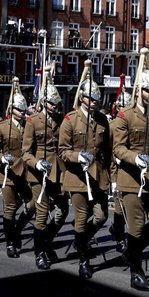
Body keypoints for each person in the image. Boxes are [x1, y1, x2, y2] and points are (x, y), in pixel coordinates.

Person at [111, 61, 149, 293]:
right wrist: (135, 159)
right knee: (136, 226)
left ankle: (131, 251)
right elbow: (118, 148)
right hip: (131, 179)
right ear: (138, 91)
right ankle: (137, 272)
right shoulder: (125, 115)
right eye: (147, 90)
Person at [59, 69, 112, 279]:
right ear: (82, 98)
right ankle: (83, 259)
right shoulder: (70, 120)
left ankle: (80, 238)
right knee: (81, 217)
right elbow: (62, 151)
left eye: (96, 100)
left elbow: (107, 150)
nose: (94, 103)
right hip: (78, 177)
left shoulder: (102, 120)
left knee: (101, 216)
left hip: (98, 175)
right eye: (90, 99)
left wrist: (110, 176)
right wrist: (76, 157)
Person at [22, 79, 68, 270]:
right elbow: (25, 152)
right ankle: (39, 252)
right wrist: (36, 163)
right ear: (43, 102)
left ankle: (46, 241)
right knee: (41, 213)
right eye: (50, 103)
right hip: (38, 174)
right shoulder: (33, 121)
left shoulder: (59, 120)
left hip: (57, 172)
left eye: (55, 104)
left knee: (62, 210)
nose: (53, 107)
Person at [0, 79, 33, 259]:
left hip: (26, 173)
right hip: (8, 173)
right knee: (9, 208)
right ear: (11, 110)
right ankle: (10, 242)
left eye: (23, 110)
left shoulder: (29, 125)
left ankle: (17, 229)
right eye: (18, 110)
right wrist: (2, 158)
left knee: (31, 206)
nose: (21, 113)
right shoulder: (1, 127)